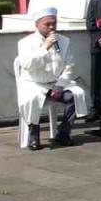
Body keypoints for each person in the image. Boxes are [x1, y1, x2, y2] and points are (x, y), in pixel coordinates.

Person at [17, 8, 89, 150]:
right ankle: (34, 135)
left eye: (54, 24)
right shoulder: (25, 42)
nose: (51, 27)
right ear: (37, 25)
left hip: (57, 83)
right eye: (47, 24)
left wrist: (60, 85)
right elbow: (27, 65)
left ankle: (63, 133)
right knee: (31, 100)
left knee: (75, 95)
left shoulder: (64, 41)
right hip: (35, 83)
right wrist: (45, 47)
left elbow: (69, 66)